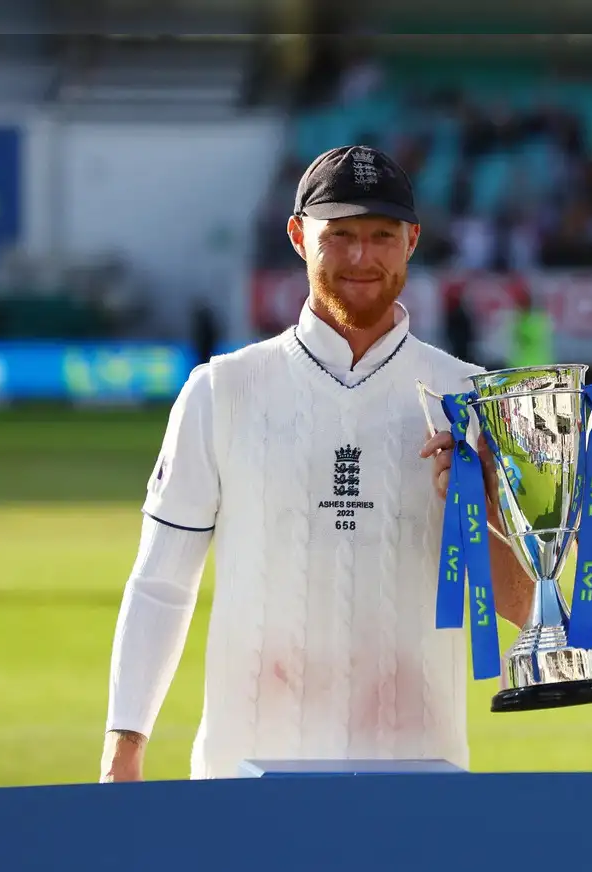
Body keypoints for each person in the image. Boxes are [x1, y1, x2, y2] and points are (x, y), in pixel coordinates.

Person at [100, 145, 532, 782]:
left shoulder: (472, 396)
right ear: (299, 236)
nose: (362, 257)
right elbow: (161, 583)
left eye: (382, 235)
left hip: (418, 773)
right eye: (341, 235)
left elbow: (526, 604)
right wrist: (124, 748)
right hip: (245, 774)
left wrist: (482, 511)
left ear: (412, 240)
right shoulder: (222, 390)